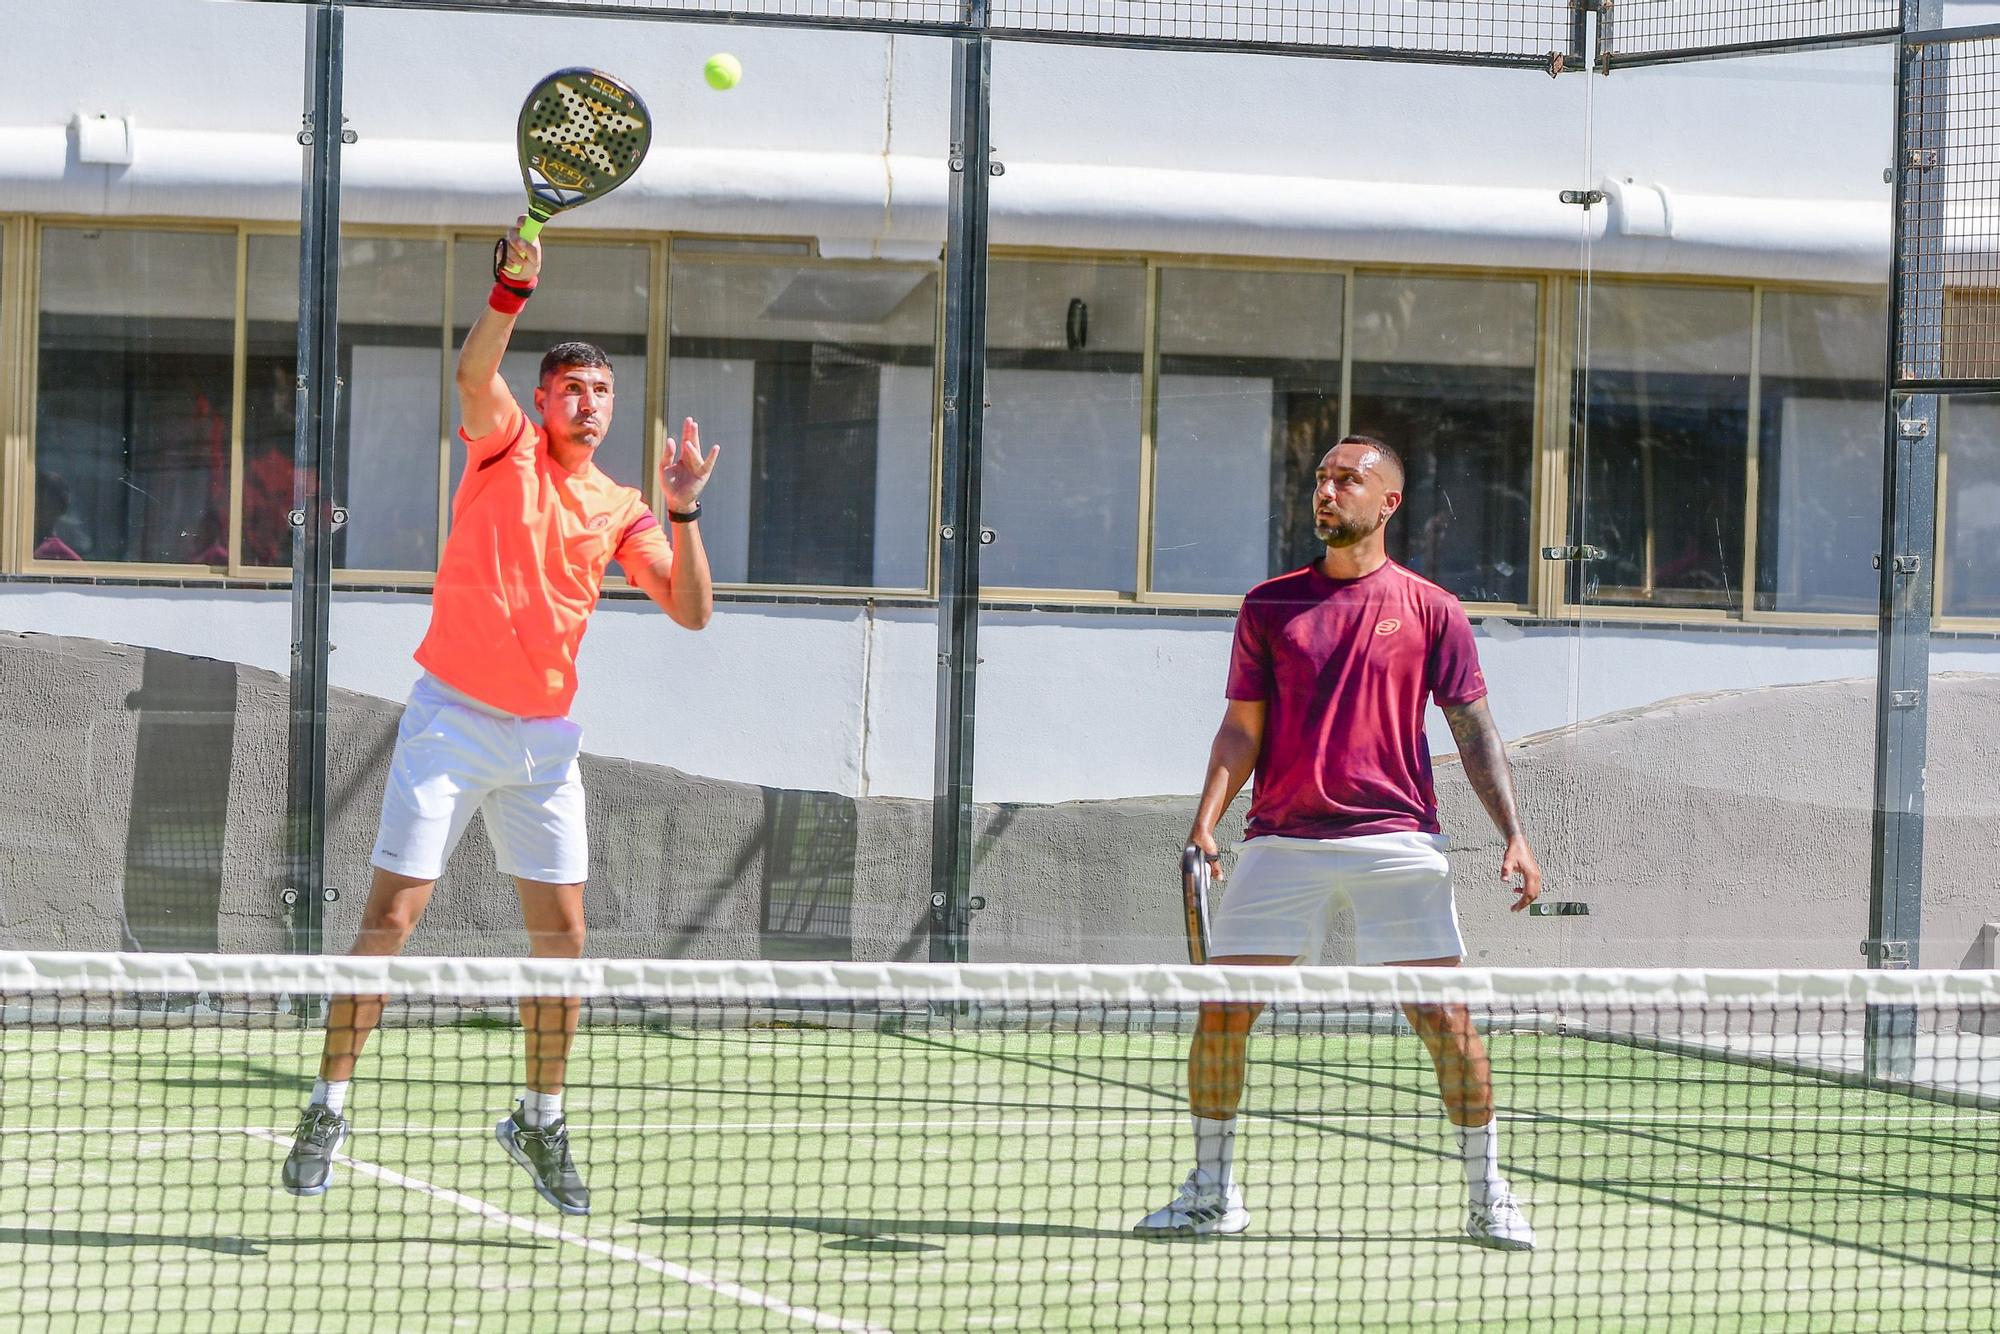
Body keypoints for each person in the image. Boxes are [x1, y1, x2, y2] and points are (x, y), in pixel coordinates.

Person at [281, 219, 719, 1215]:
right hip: (448, 722)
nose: (589, 402)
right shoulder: (503, 445)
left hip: (543, 746)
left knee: (563, 939)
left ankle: (539, 1115)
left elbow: (690, 609)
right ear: (542, 398)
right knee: (390, 917)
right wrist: (508, 295)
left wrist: (685, 508)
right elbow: (472, 374)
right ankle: (327, 1102)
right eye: (571, 387)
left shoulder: (620, 506)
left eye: (602, 390)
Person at [1134, 434, 1543, 1250]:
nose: (1327, 491)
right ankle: (1213, 1191)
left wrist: (1515, 836)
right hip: (1282, 841)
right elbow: (1239, 729)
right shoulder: (1270, 605)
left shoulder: (1433, 609)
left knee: (1445, 1023)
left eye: (1347, 480)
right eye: (1321, 479)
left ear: (1388, 501)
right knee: (1222, 1015)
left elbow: (1475, 733)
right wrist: (1206, 820)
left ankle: (1488, 1193)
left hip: (1399, 840)